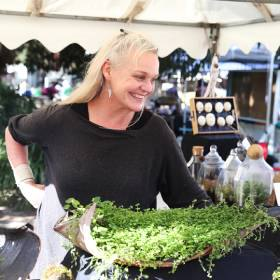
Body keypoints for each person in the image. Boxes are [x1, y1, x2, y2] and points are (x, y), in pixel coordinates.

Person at [4, 31, 277, 280]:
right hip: (67, 263)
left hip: (134, 264)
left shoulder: (154, 130)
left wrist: (230, 227)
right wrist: (24, 182)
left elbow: (189, 198)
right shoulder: (61, 120)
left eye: (152, 79)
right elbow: (14, 132)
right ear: (108, 70)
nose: (148, 87)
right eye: (139, 77)